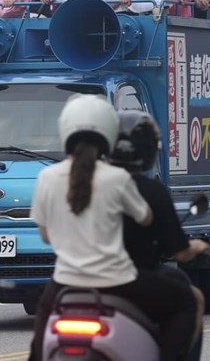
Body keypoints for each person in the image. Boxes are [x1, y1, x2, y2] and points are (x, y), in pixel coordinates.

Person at [29, 95, 197, 361]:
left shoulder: (46, 178)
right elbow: (144, 218)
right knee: (186, 302)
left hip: (64, 283)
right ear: (108, 132)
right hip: (119, 282)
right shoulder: (117, 178)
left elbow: (46, 235)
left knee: (39, 343)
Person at [110, 110, 210, 360]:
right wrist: (198, 246)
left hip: (78, 276)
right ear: (149, 151)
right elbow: (179, 251)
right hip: (132, 277)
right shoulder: (151, 190)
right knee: (192, 299)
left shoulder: (86, 185)